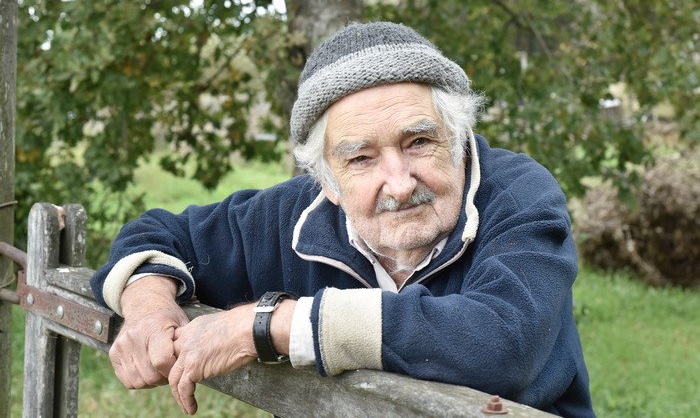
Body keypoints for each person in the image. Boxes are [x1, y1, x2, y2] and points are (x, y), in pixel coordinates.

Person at [90, 21, 595, 416]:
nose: (399, 182)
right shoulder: (295, 213)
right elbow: (162, 234)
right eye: (361, 158)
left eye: (419, 141)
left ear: (459, 141)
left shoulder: (518, 195)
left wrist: (269, 325)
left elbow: (501, 342)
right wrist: (149, 304)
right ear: (327, 180)